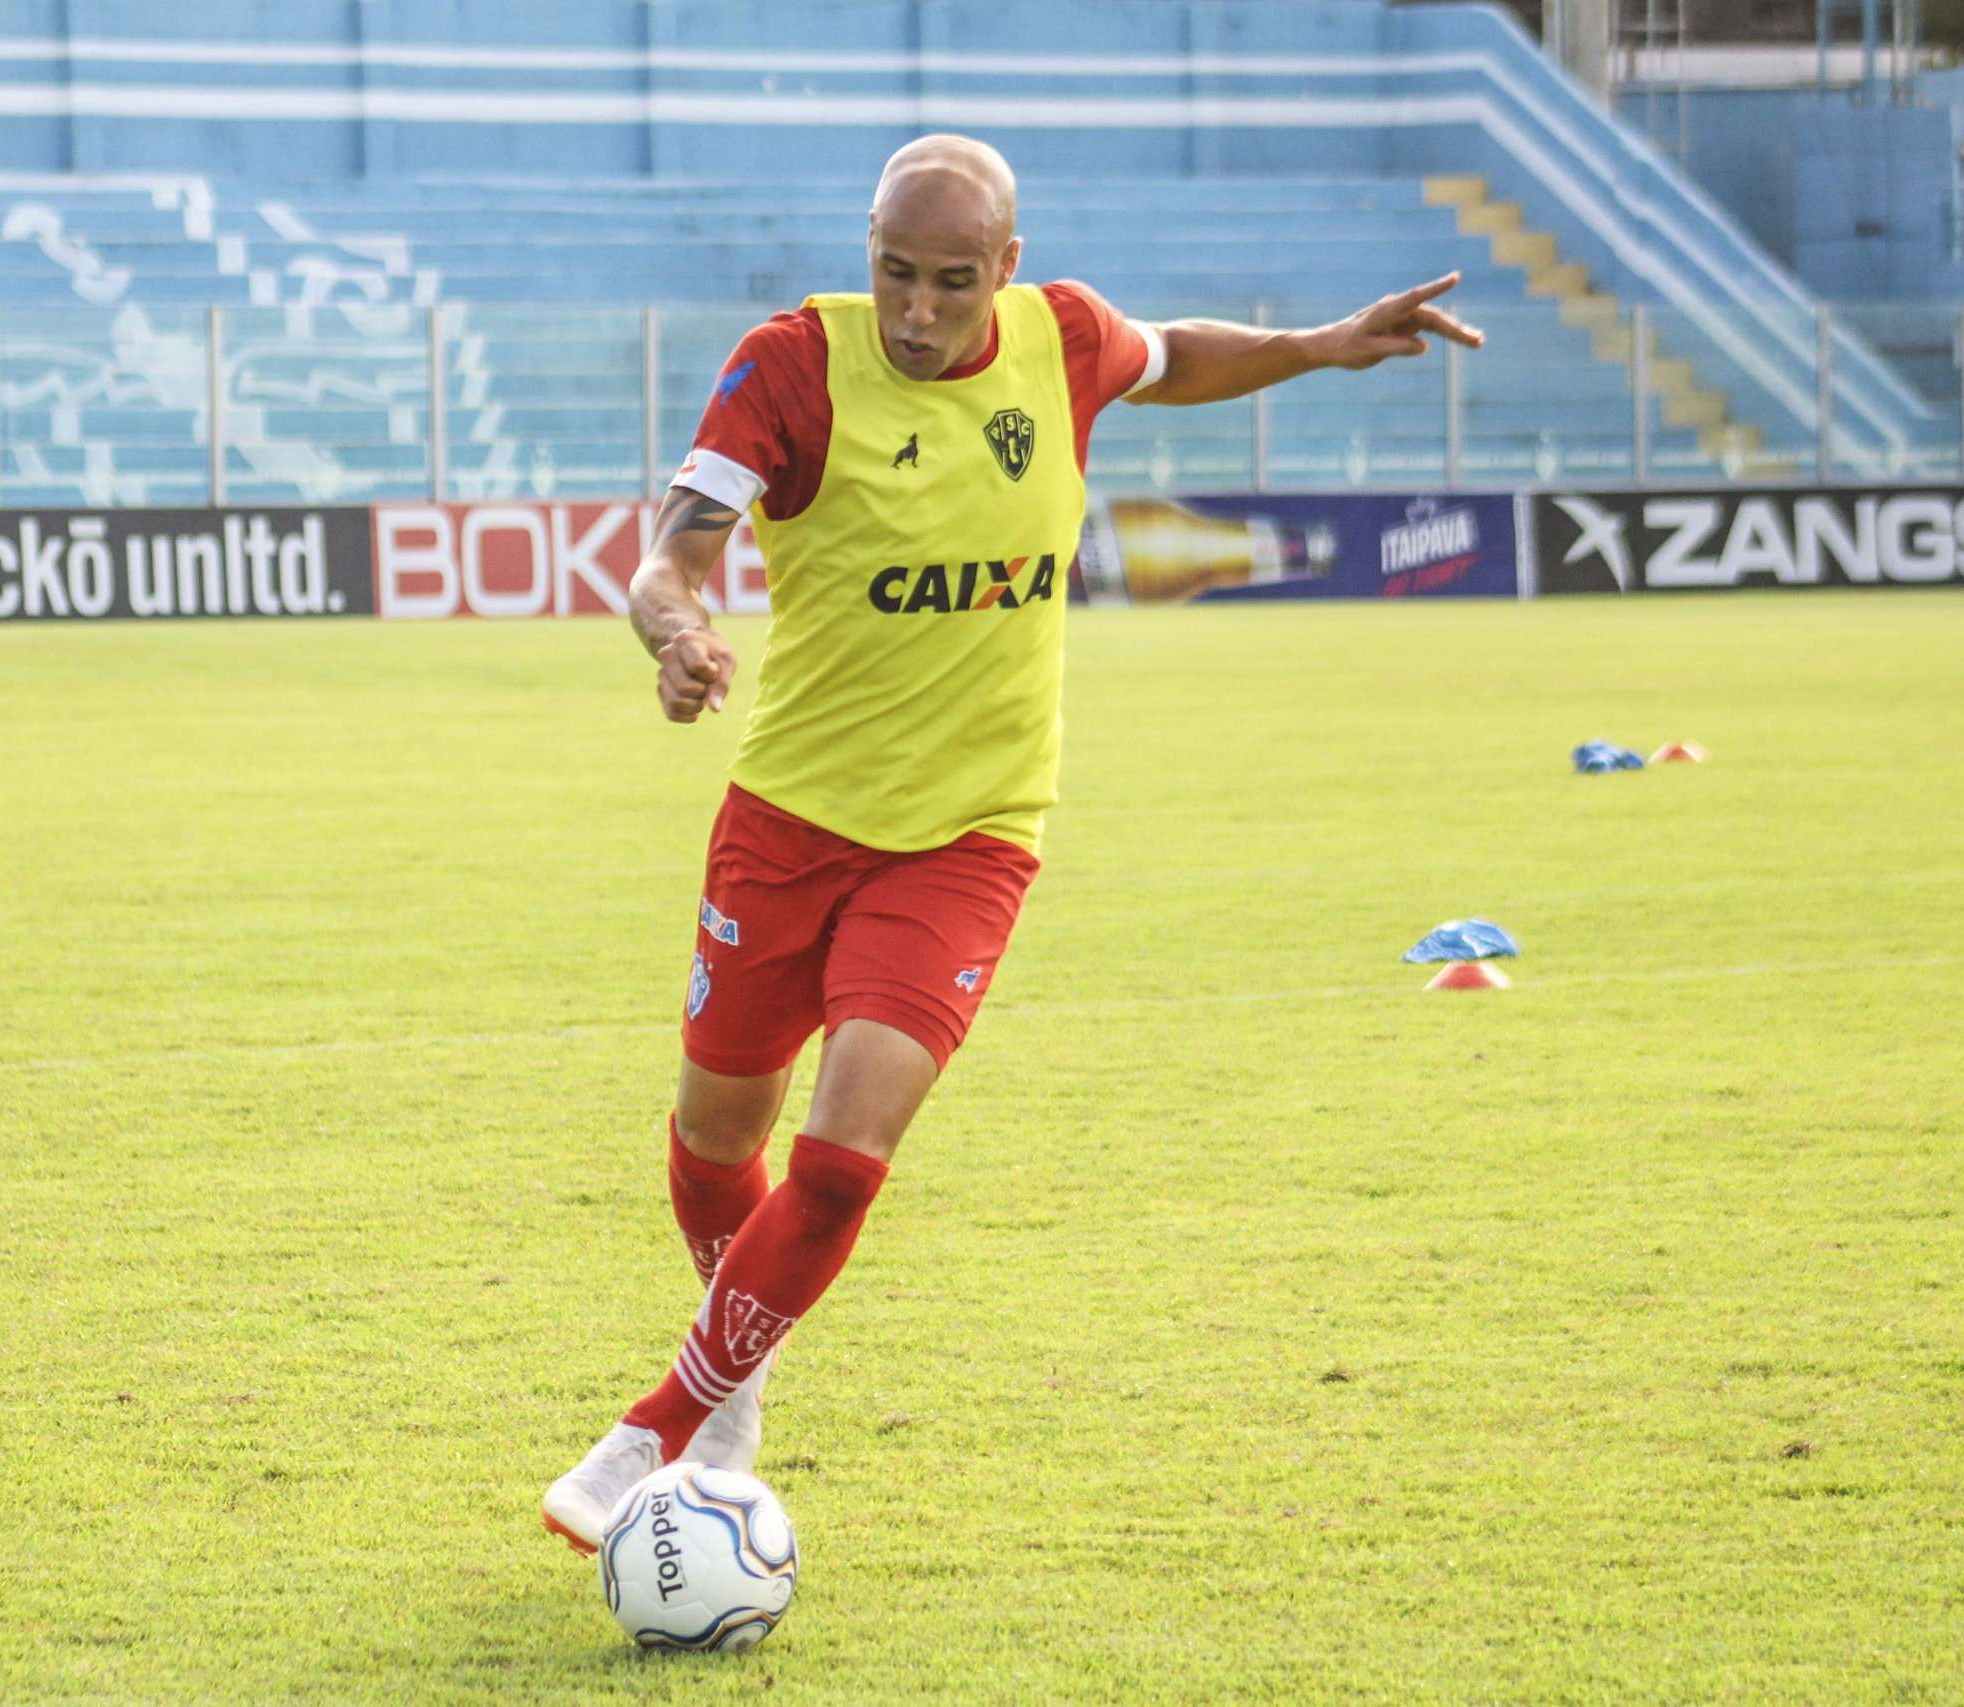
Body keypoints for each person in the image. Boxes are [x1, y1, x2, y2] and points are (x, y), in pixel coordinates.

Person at [542, 133, 1483, 1553]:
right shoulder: (793, 364)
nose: (920, 312)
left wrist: (1319, 345)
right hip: (790, 822)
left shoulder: (1065, 341)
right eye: (897, 276)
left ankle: (655, 1430)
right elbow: (671, 553)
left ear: (1009, 272)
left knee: (847, 1155)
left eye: (953, 283)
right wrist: (678, 633)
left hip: (971, 836)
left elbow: (1177, 352)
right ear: (869, 257)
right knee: (711, 1142)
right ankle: (739, 1364)